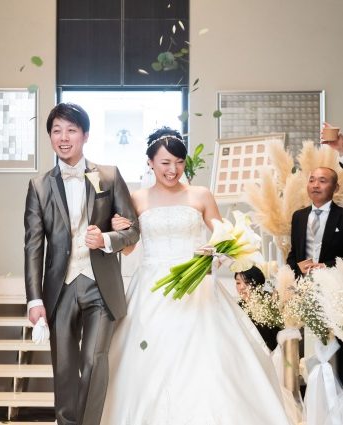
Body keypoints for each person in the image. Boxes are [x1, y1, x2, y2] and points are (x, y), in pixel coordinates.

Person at [100, 127, 292, 425]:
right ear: (150, 162)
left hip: (198, 289)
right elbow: (128, 250)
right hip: (151, 288)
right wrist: (120, 227)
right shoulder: (137, 199)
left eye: (179, 162)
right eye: (165, 162)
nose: (172, 169)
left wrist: (216, 248)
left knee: (205, 361)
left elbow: (223, 235)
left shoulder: (200, 195)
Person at [24, 102, 140, 425]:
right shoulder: (39, 186)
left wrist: (106, 239)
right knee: (64, 368)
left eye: (71, 130)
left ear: (85, 135)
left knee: (93, 360)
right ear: (50, 136)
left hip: (100, 286)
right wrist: (34, 299)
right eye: (57, 131)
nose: (64, 138)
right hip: (59, 290)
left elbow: (132, 230)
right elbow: (33, 246)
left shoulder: (109, 176)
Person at [287, 166, 343, 384]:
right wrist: (296, 268)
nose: (315, 185)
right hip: (305, 291)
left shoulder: (341, 216)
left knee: (335, 345)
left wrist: (325, 266)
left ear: (335, 187)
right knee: (309, 346)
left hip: (335, 290)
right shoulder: (299, 216)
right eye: (312, 180)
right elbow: (293, 254)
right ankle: (314, 389)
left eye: (322, 181)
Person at [235, 266, 280, 351]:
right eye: (238, 283)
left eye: (247, 282)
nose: (242, 287)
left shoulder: (270, 301)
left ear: (258, 284)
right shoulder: (237, 307)